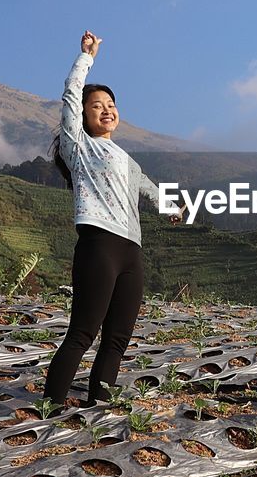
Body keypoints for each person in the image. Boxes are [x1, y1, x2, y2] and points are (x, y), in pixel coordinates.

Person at [43, 30, 177, 409]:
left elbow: (147, 187)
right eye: (97, 105)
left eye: (111, 103)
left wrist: (172, 208)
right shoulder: (79, 147)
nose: (106, 109)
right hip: (99, 244)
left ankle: (97, 409)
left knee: (118, 337)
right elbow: (70, 95)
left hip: (130, 250)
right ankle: (48, 411)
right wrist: (86, 58)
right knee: (83, 332)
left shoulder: (125, 158)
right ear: (83, 116)